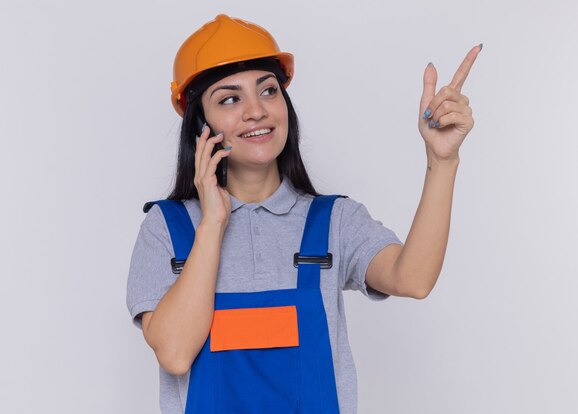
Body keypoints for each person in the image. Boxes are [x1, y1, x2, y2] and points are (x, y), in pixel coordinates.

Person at [126, 14, 480, 414]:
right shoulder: (167, 230)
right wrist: (212, 223)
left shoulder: (334, 222)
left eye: (268, 91)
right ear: (199, 126)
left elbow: (413, 279)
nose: (256, 110)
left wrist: (442, 161)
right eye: (229, 98)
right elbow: (174, 354)